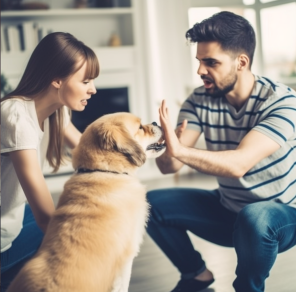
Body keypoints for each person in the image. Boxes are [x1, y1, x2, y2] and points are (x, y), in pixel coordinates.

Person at [146, 11, 296, 292]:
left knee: (255, 216)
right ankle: (195, 274)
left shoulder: (282, 102)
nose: (201, 70)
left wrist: (180, 149)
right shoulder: (200, 99)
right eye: (200, 61)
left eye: (211, 62)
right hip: (229, 210)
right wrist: (172, 147)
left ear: (241, 62)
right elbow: (170, 167)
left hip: (282, 217)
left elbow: (239, 164)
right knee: (147, 203)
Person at [1, 32, 99, 291]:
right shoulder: (16, 117)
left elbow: (90, 155)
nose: (93, 89)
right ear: (57, 79)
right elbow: (45, 217)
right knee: (79, 233)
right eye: (86, 80)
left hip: (13, 220)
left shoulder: (57, 111)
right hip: (2, 237)